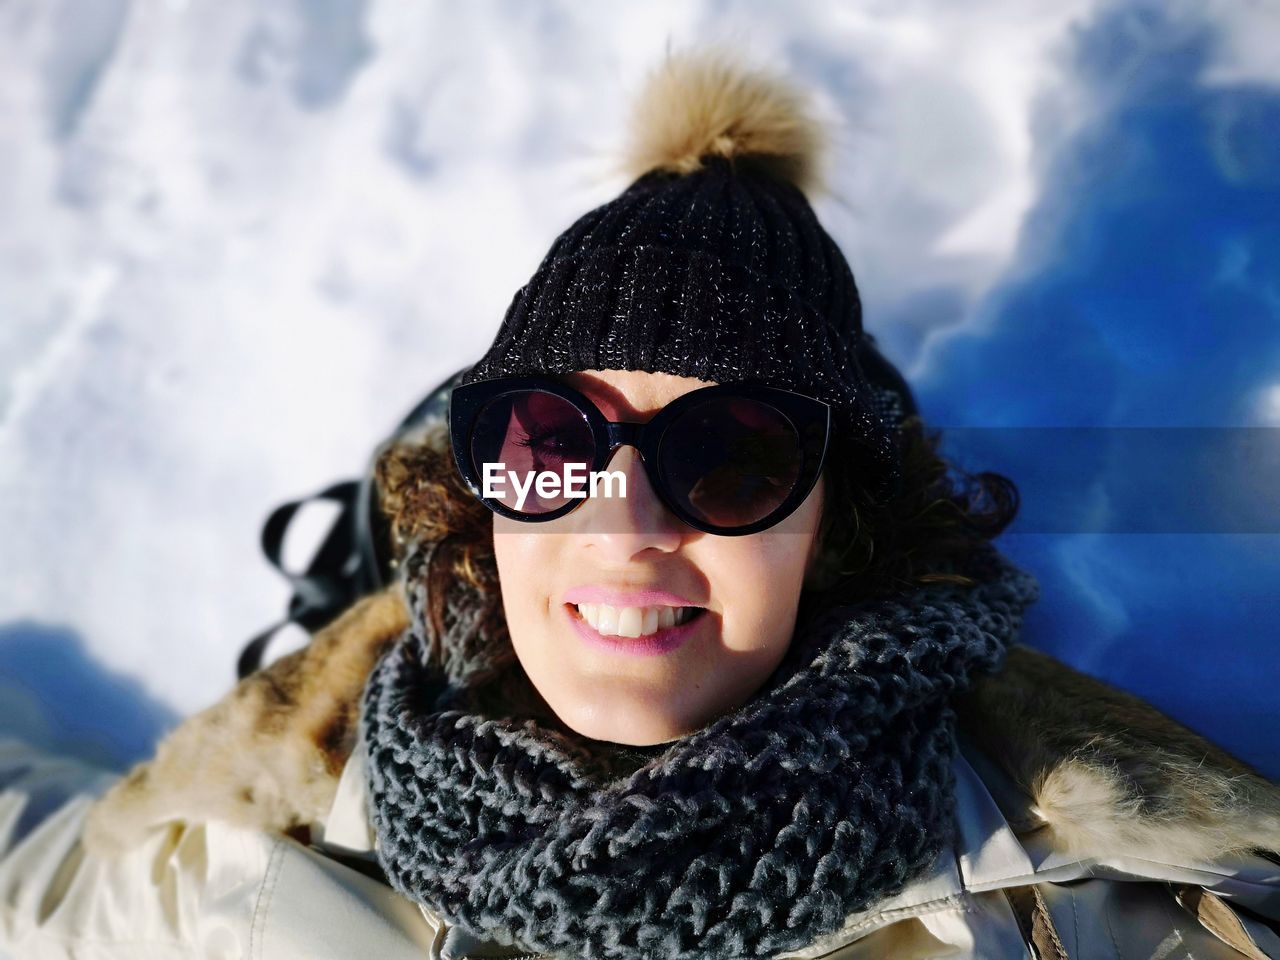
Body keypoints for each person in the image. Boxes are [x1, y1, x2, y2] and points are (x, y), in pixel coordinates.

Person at [3, 45, 1280, 960]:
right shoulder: (251, 853)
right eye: (549, 440)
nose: (619, 527)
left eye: (730, 456)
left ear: (834, 526)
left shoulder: (1103, 908)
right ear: (478, 502)